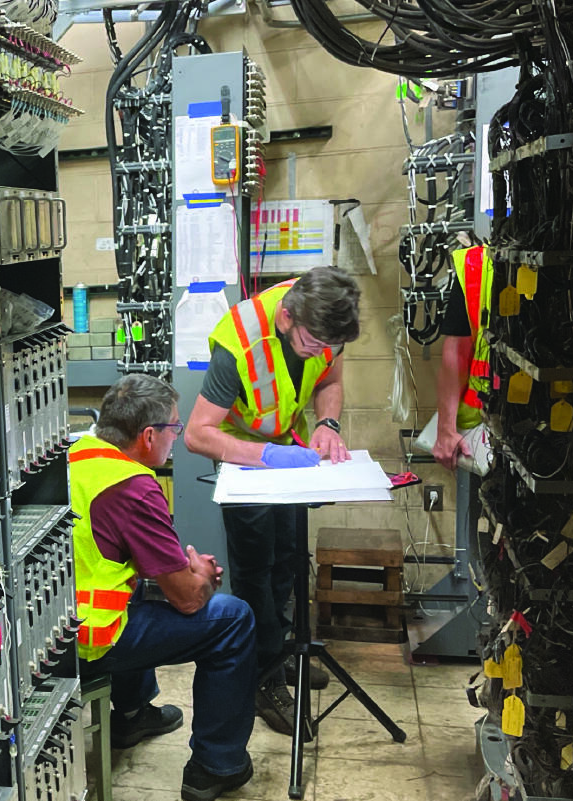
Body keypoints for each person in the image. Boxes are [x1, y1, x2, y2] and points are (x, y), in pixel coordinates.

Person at [183, 266, 361, 736]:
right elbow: (196, 434)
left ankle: (283, 655)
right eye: (314, 344)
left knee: (288, 560)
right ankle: (261, 675)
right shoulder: (238, 341)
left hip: (290, 453)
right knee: (256, 570)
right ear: (286, 319)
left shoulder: (324, 326)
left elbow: (329, 383)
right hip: (244, 458)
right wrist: (264, 454)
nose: (325, 353)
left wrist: (327, 424)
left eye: (331, 345)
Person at [71, 374, 256, 801]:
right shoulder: (133, 487)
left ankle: (133, 713)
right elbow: (188, 600)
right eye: (175, 428)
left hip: (51, 630)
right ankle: (216, 765)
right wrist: (202, 578)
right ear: (149, 436)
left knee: (136, 588)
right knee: (232, 619)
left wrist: (176, 572)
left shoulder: (76, 452)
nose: (177, 436)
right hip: (90, 641)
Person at [433, 244, 493, 471]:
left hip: (488, 418)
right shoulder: (474, 264)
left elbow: (456, 352)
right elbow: (456, 352)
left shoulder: (476, 263)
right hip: (483, 423)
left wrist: (446, 429)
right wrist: (446, 428)